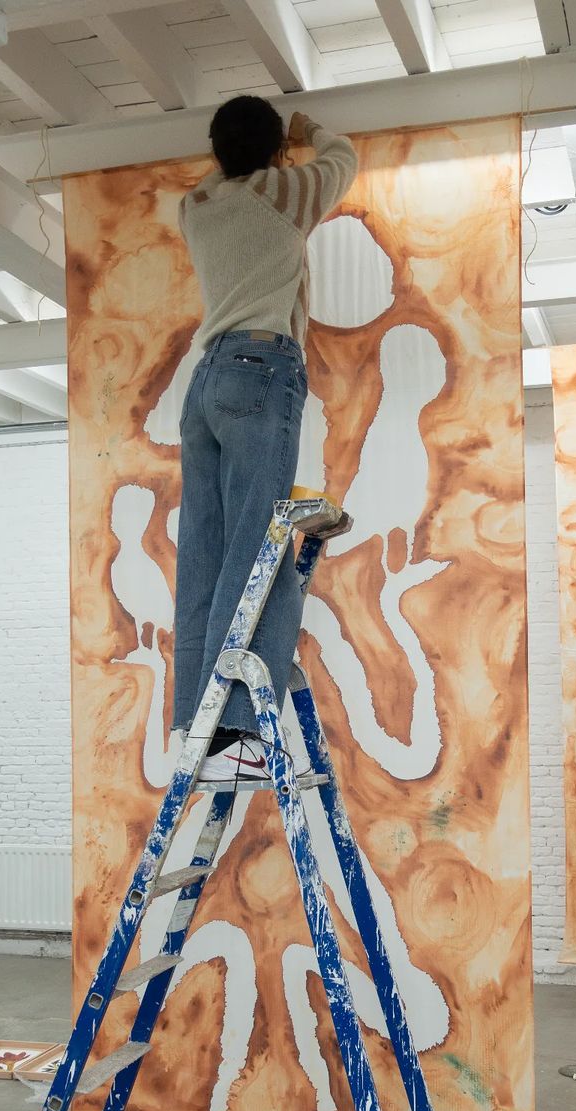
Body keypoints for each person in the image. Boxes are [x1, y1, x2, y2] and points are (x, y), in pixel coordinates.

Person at [171, 96, 357, 783]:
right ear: (276, 152)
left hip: (205, 383)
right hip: (262, 368)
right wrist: (310, 130)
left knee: (204, 554)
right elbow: (343, 161)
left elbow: (225, 172)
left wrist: (258, 146)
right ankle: (236, 731)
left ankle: (194, 728)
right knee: (259, 550)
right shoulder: (281, 193)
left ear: (216, 152)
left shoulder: (195, 206)